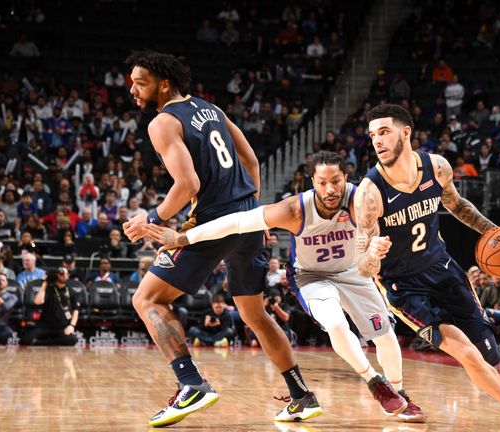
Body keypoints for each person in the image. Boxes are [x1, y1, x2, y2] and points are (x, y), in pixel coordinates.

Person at [146, 151, 426, 422]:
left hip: (353, 270)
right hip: (312, 276)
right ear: (312, 183)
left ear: (346, 178)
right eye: (323, 182)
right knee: (336, 325)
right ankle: (373, 381)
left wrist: (379, 247)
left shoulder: (361, 200)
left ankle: (400, 393)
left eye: (336, 181)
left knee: (385, 335)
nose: (330, 189)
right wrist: (184, 238)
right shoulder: (294, 209)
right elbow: (238, 222)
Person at [120, 50, 320, 427]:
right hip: (246, 218)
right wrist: (256, 216)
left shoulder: (163, 122)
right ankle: (301, 395)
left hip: (212, 224)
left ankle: (191, 383)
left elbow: (188, 184)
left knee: (146, 298)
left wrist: (152, 218)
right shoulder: (210, 108)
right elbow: (252, 161)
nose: (132, 88)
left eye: (140, 82)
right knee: (254, 314)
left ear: (164, 84)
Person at [357, 104, 500, 430]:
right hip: (405, 287)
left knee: (489, 356)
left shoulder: (437, 167)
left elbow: (457, 205)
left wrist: (495, 232)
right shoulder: (370, 191)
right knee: (465, 352)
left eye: (383, 132)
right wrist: (372, 251)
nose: (377, 141)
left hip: (443, 269)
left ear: (406, 132)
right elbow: (363, 267)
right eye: (372, 135)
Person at [20, 268, 80, 346]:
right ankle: (51, 342)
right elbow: (38, 302)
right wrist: (45, 283)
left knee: (72, 339)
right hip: (45, 326)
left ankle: (45, 343)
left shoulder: (71, 291)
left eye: (66, 274)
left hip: (61, 327)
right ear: (56, 276)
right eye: (61, 274)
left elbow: (76, 310)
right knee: (26, 339)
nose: (65, 276)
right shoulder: (48, 289)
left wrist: (72, 326)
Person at [0, 273, 18, 344]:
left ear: (7, 283)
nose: (0, 282)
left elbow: (5, 307)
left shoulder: (12, 296)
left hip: (2, 326)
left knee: (11, 336)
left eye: (2, 280)